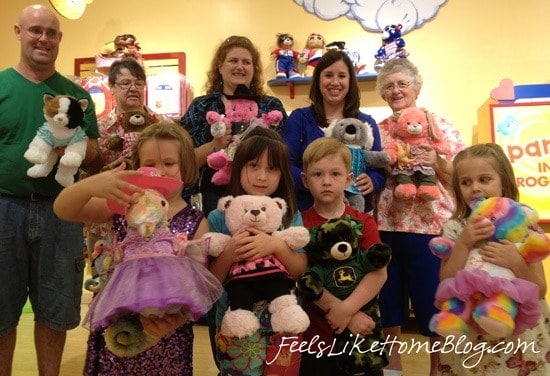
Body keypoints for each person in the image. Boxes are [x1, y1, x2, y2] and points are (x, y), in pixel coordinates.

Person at [53, 123, 209, 375]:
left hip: (168, 334)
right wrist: (91, 185)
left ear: (187, 166)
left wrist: (172, 322)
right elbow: (63, 209)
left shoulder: (197, 220)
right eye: (151, 163)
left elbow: (199, 286)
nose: (159, 172)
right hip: (118, 324)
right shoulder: (123, 204)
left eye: (169, 163)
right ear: (138, 167)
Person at [0, 5, 102, 376]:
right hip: (3, 210)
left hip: (62, 210)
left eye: (52, 33)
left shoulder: (76, 95)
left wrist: (69, 148)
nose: (44, 39)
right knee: (0, 312)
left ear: (60, 39)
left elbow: (94, 153)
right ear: (18, 32)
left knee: (56, 311)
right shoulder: (1, 86)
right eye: (35, 30)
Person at [374, 58, 466, 376]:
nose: (396, 90)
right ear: (382, 94)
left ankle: (437, 369)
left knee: (433, 301)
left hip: (432, 229)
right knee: (389, 303)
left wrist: (437, 160)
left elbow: (462, 175)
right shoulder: (379, 129)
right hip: (386, 225)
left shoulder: (440, 125)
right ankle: (393, 367)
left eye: (402, 83)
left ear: (417, 87)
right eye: (388, 85)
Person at [436, 143, 549, 375]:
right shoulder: (455, 228)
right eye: (466, 182)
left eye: (484, 179)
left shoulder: (524, 227)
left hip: (518, 334)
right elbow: (446, 282)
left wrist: (516, 262)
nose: (475, 188)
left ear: (504, 182)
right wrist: (463, 244)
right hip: (473, 336)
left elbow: (539, 290)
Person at [207, 127, 307, 376]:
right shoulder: (220, 217)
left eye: (272, 168)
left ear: (283, 174)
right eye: (253, 165)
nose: (262, 176)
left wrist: (275, 245)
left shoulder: (289, 215)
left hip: (283, 322)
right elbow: (210, 282)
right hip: (235, 323)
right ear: (238, 166)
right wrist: (230, 252)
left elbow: (299, 270)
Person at [299, 137, 389, 375]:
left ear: (349, 180)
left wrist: (348, 310)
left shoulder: (364, 222)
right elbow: (304, 277)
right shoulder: (299, 225)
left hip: (362, 334)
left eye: (335, 174)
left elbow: (378, 273)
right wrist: (341, 313)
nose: (326, 181)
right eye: (317, 175)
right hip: (317, 337)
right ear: (305, 181)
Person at [181, 35, 288, 217]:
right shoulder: (201, 106)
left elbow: (284, 157)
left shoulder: (271, 106)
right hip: (212, 199)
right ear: (220, 66)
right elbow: (183, 164)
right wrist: (214, 144)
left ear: (254, 69)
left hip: (262, 200)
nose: (240, 66)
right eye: (233, 61)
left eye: (246, 62)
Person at [282, 49, 385, 214]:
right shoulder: (299, 119)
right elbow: (286, 164)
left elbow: (378, 167)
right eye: (328, 75)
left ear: (350, 81)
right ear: (318, 80)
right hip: (308, 212)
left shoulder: (366, 123)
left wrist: (373, 180)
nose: (335, 82)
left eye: (342, 76)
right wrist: (315, 183)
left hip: (354, 213)